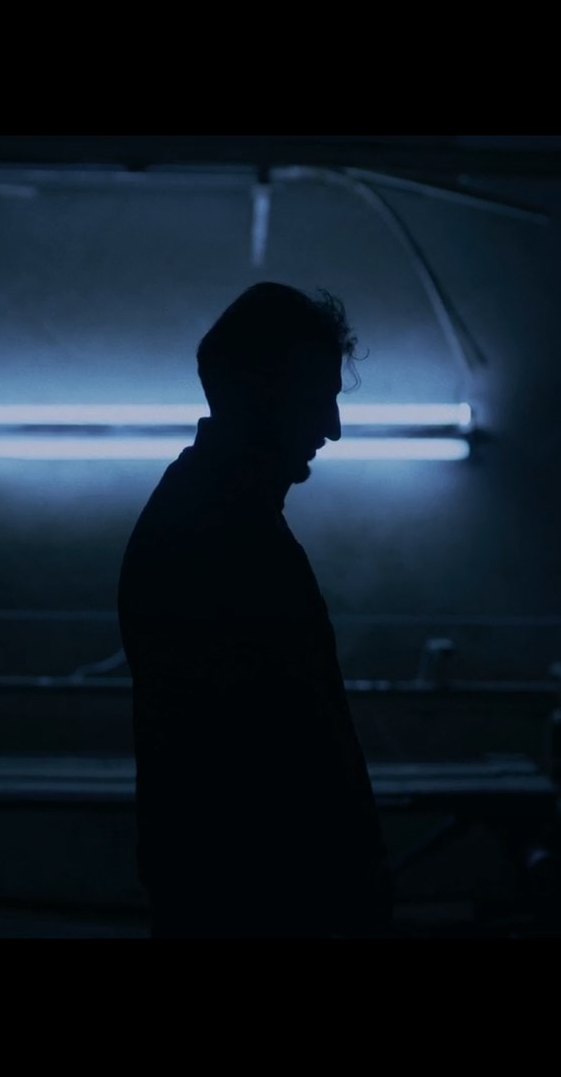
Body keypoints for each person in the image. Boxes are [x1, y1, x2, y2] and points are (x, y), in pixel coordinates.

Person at [118, 283, 392, 938]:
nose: (333, 427)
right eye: (318, 398)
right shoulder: (226, 536)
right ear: (264, 394)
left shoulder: (203, 516)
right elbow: (280, 757)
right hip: (263, 900)